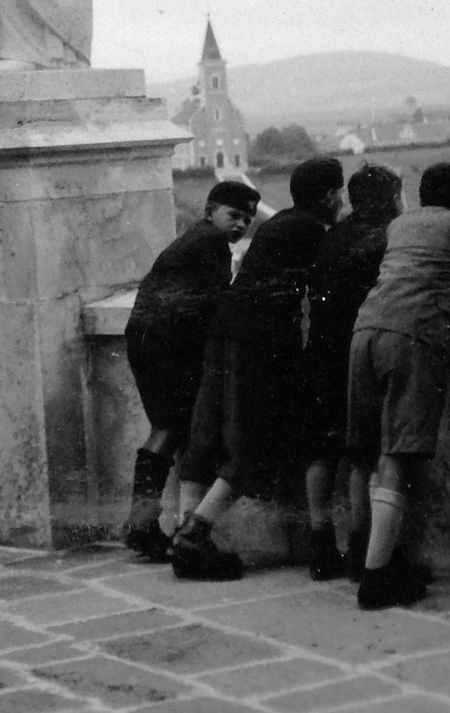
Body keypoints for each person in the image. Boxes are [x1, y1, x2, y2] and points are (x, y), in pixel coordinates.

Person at [170, 157, 346, 580]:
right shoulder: (312, 231)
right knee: (248, 444)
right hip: (256, 344)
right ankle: (194, 536)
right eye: (338, 194)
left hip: (223, 333)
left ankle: (182, 534)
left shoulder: (280, 224)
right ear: (329, 196)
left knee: (205, 438)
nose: (341, 202)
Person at [346, 162, 450, 610]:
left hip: (366, 331)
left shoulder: (399, 223)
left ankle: (374, 558)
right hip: (414, 336)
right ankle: (374, 580)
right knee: (399, 455)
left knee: (371, 449)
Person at [123, 180, 262, 560]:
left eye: (247, 219)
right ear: (209, 211)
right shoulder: (208, 244)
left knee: (167, 429)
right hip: (164, 343)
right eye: (233, 215)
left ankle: (142, 524)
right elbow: (218, 303)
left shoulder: (198, 240)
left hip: (148, 337)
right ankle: (141, 526)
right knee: (168, 429)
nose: (240, 225)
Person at [301, 163, 405, 580]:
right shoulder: (386, 239)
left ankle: (320, 543)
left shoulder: (333, 237)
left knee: (322, 449)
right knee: (363, 452)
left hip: (320, 350)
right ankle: (363, 549)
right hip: (360, 352)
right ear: (392, 199)